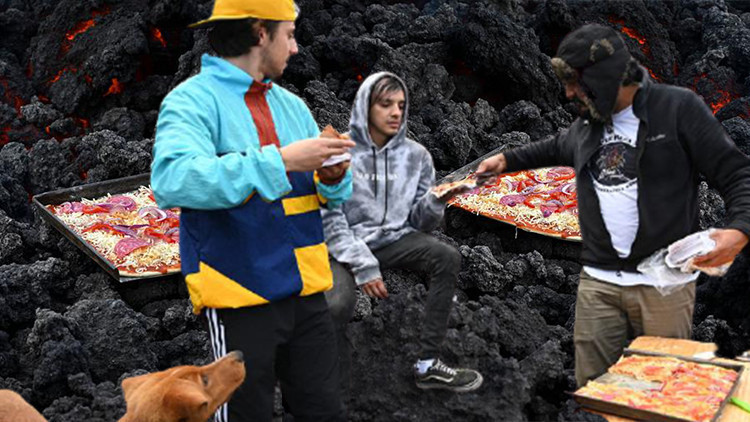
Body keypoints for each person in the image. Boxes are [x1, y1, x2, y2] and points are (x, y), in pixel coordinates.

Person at [476, 24, 750, 387]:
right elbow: (556, 146)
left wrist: (739, 229)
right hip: (599, 281)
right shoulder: (592, 121)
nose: (568, 93)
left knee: (658, 389)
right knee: (592, 387)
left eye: (576, 82)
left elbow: (736, 173)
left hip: (662, 282)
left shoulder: (678, 108)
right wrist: (506, 161)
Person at [150, 0, 354, 420]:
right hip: (239, 295)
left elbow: (324, 199)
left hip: (307, 294)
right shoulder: (192, 102)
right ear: (261, 33)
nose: (295, 48)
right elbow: (172, 180)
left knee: (324, 412)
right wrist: (281, 160)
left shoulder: (292, 106)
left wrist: (332, 178)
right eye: (290, 35)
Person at [322, 72, 483, 397]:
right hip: (342, 245)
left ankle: (428, 365)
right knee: (337, 300)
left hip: (389, 240)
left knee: (446, 257)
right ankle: (315, 371)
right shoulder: (339, 151)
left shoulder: (416, 157)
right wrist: (364, 265)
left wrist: (438, 201)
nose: (395, 112)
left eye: (400, 105)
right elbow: (329, 220)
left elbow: (420, 222)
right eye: (385, 104)